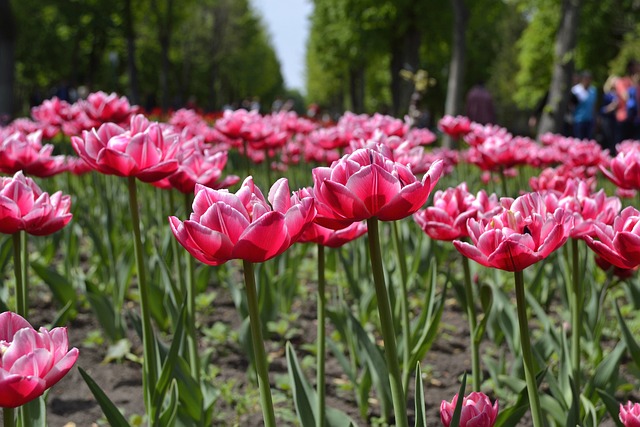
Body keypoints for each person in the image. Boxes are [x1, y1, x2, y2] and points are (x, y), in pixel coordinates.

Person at [613, 59, 638, 144]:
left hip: (636, 119)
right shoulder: (622, 81)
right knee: (623, 145)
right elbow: (625, 97)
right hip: (624, 117)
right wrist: (634, 85)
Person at [571, 71, 597, 139]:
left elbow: (593, 105)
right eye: (585, 79)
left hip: (589, 119)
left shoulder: (593, 90)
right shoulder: (575, 90)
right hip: (578, 119)